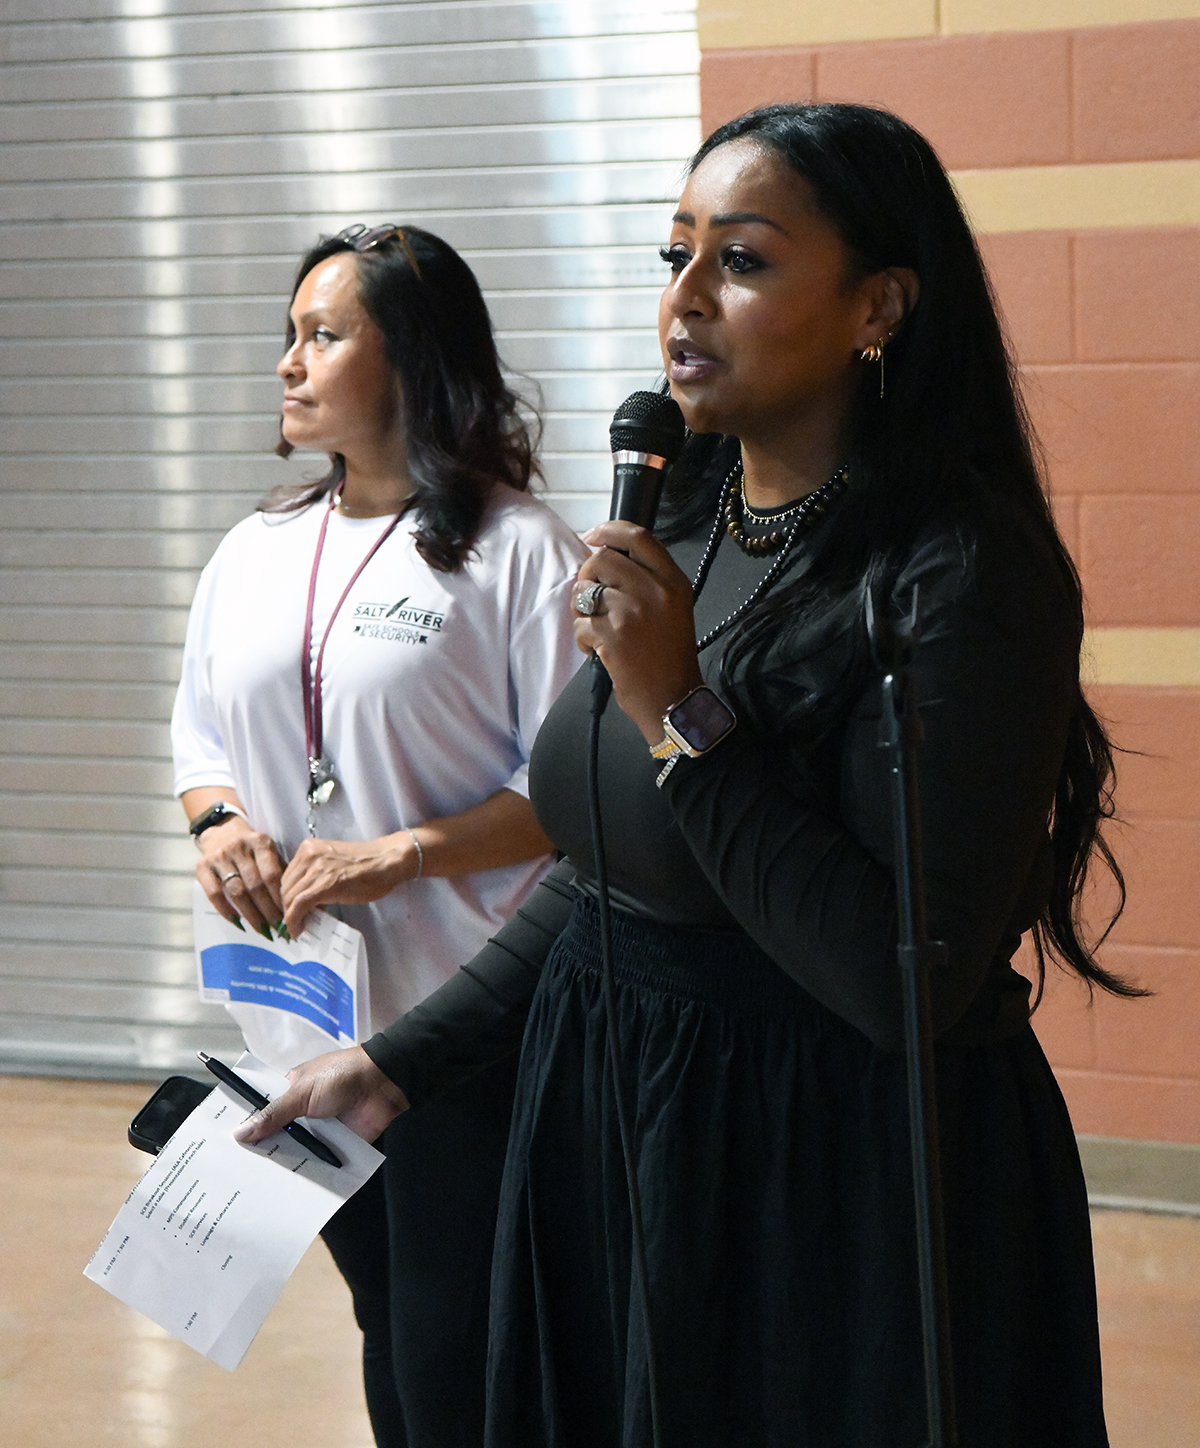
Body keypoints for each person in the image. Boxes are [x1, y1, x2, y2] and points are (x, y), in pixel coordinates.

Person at [238, 108, 1137, 1448]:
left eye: (746, 261)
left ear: (879, 306)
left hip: (823, 1171)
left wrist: (679, 707)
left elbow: (904, 977)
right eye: (676, 255)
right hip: (616, 1119)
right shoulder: (678, 517)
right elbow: (610, 871)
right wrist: (395, 1066)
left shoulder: (960, 575)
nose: (687, 298)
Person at [171, 222, 584, 1448]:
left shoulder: (522, 555)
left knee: (452, 1337)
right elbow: (199, 740)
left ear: (411, 356)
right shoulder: (254, 549)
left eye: (323, 334)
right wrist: (223, 826)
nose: (289, 363)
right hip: (300, 1023)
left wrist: (400, 853)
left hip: (461, 1034)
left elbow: (572, 797)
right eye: (289, 336)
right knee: (385, 1316)